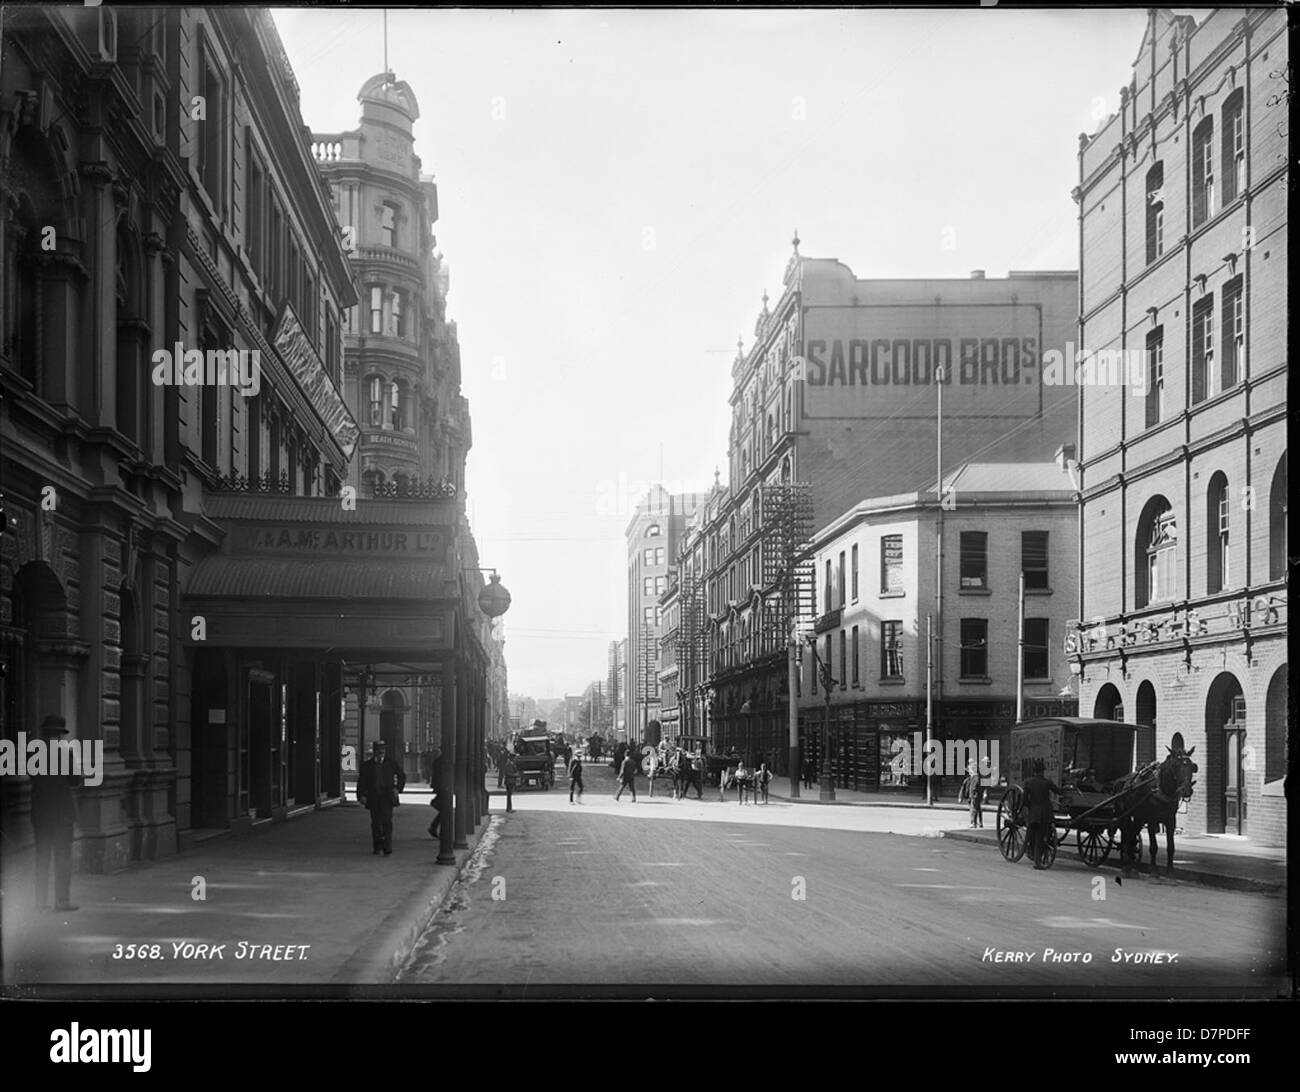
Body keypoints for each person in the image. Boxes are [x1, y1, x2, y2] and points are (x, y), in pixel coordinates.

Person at [30, 714, 81, 912]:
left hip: (41, 815)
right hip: (62, 816)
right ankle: (62, 901)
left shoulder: (32, 754)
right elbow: (75, 780)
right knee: (63, 859)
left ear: (44, 735)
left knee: (41, 859)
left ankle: (40, 902)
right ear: (60, 736)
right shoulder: (65, 754)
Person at [357, 739, 406, 855]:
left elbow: (402, 776)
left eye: (382, 750)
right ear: (374, 752)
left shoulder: (391, 763)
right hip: (373, 797)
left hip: (387, 797)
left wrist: (397, 789)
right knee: (375, 823)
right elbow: (361, 782)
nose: (381, 753)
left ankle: (387, 846)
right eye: (378, 750)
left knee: (387, 822)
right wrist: (361, 796)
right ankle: (377, 845)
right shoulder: (367, 766)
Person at [1021, 761, 1061, 869]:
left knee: (1032, 834)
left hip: (1034, 813)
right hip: (1046, 813)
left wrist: (1031, 806)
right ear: (1043, 771)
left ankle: (1029, 852)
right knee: (1041, 836)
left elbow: (1024, 799)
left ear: (1033, 771)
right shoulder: (1047, 782)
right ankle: (1037, 861)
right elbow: (1058, 791)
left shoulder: (1028, 782)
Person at [963, 760, 985, 828]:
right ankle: (980, 823)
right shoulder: (973, 777)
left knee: (973, 809)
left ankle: (974, 823)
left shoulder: (976, 777)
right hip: (974, 795)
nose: (969, 770)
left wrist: (974, 795)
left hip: (975, 796)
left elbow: (975, 787)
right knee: (978, 809)